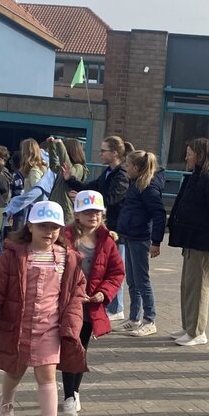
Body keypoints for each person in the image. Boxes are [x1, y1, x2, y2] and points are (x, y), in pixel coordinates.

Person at [0, 201, 86, 416]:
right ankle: (6, 404)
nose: (48, 232)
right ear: (30, 226)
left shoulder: (67, 258)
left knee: (47, 376)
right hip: (18, 325)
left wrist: (72, 323)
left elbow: (76, 292)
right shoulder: (14, 255)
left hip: (50, 327)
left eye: (54, 227)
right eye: (42, 226)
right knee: (15, 370)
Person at [60, 191, 125, 416]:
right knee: (70, 347)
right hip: (68, 305)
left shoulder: (107, 240)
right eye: (87, 212)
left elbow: (116, 272)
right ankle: (69, 396)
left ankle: (75, 392)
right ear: (77, 214)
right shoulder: (64, 237)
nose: (93, 216)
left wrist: (103, 293)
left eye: (97, 212)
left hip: (90, 307)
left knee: (81, 349)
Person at [166, 138, 209, 346]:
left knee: (198, 286)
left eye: (190, 153)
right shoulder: (196, 176)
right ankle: (188, 326)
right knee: (188, 285)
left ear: (200, 155)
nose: (186, 157)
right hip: (191, 239)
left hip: (202, 241)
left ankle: (197, 331)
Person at [118, 150, 166, 337]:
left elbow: (159, 214)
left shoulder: (148, 187)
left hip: (140, 238)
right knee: (132, 280)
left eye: (128, 165)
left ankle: (149, 319)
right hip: (130, 236)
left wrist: (156, 242)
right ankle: (134, 318)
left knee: (142, 280)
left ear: (137, 168)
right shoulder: (135, 183)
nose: (125, 168)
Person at [93, 137, 130, 319]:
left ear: (114, 153)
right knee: (107, 266)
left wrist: (95, 201)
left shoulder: (121, 175)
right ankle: (114, 306)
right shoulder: (108, 172)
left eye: (104, 151)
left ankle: (117, 308)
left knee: (116, 267)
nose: (100, 154)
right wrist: (72, 181)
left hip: (118, 229)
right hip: (110, 227)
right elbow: (92, 187)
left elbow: (111, 198)